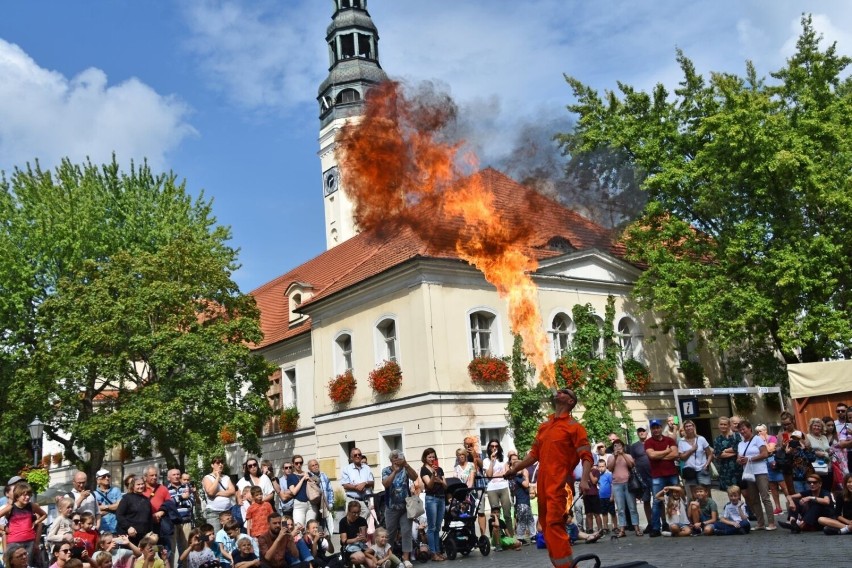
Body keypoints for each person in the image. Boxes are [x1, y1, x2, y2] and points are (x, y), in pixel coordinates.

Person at [503, 387, 593, 568]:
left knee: (554, 525)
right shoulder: (545, 426)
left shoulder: (575, 427)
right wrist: (515, 469)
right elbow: (533, 455)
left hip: (559, 485)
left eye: (565, 392)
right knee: (546, 527)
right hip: (543, 485)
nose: (559, 392)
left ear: (571, 401)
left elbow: (587, 457)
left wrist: (584, 480)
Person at [736, 419, 777, 530]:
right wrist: (739, 460)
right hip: (749, 472)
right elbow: (738, 458)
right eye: (740, 430)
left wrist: (750, 459)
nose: (742, 432)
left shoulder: (757, 439)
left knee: (765, 497)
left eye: (743, 429)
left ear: (749, 428)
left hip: (760, 471)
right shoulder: (740, 444)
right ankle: (760, 523)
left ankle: (771, 523)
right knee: (754, 498)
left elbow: (765, 454)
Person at [380, 449, 417, 568]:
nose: (397, 459)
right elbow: (386, 484)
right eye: (394, 458)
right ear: (391, 460)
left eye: (399, 457)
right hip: (391, 507)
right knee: (390, 533)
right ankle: (388, 558)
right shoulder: (386, 470)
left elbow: (415, 477)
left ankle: (406, 558)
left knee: (406, 531)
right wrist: (394, 472)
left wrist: (406, 464)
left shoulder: (405, 469)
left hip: (405, 507)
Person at [644, 419, 678, 537]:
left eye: (658, 427)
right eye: (653, 428)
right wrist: (666, 451)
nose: (656, 430)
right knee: (657, 501)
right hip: (657, 476)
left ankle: (676, 523)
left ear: (661, 428)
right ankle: (655, 527)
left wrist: (659, 456)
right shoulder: (648, 442)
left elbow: (675, 454)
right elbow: (651, 455)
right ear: (651, 429)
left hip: (672, 474)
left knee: (675, 499)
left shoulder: (669, 440)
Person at [0, 481, 47, 563]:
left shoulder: (31, 506)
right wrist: (4, 528)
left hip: (29, 542)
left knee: (26, 564)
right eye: (24, 495)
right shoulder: (10, 508)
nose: (27, 497)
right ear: (17, 496)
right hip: (14, 543)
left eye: (29, 494)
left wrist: (36, 522)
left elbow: (44, 514)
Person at [608, 438, 641, 537]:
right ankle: (622, 529)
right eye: (615, 445)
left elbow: (631, 465)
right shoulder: (611, 457)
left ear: (623, 447)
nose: (617, 447)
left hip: (628, 483)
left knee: (632, 507)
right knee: (620, 508)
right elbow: (610, 468)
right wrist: (615, 456)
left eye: (619, 445)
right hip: (617, 484)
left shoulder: (628, 456)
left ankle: (637, 528)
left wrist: (622, 455)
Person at [419, 448, 447, 562]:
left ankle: (438, 551)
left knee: (438, 527)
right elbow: (429, 486)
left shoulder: (439, 469)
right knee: (432, 527)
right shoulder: (424, 470)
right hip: (431, 499)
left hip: (441, 498)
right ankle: (433, 553)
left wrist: (439, 479)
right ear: (425, 458)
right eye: (429, 457)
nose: (432, 459)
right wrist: (433, 476)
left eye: (433, 457)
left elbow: (445, 485)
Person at [483, 440, 513, 538]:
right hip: (492, 489)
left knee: (507, 513)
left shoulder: (504, 459)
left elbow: (507, 473)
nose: (494, 448)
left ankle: (511, 537)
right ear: (489, 448)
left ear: (499, 447)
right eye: (492, 446)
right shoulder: (486, 461)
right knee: (495, 515)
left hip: (503, 486)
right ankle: (496, 538)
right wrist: (492, 462)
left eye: (496, 446)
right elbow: (489, 476)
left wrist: (499, 475)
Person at [756, 424, 788, 514]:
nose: (759, 433)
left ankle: (791, 503)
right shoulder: (757, 440)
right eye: (757, 432)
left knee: (783, 485)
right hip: (765, 464)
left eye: (761, 431)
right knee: (773, 487)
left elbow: (770, 450)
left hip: (774, 463)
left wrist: (764, 441)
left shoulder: (772, 438)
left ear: (765, 430)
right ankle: (778, 507)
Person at [677, 420, 713, 498]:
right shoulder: (681, 441)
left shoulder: (701, 439)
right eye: (686, 426)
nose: (688, 428)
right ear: (684, 428)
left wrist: (707, 464)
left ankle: (709, 509)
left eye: (690, 426)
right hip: (690, 471)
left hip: (702, 469)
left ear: (694, 427)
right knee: (693, 495)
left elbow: (709, 454)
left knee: (706, 494)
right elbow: (682, 458)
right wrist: (691, 450)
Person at [116, 476, 154, 545]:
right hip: (129, 535)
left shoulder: (146, 500)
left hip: (143, 536)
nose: (141, 486)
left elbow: (149, 518)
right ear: (133, 486)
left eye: (142, 484)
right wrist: (128, 527)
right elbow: (119, 515)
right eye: (138, 484)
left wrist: (150, 532)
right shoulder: (126, 498)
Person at [628, 427, 652, 531]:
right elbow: (632, 461)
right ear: (637, 434)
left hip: (655, 475)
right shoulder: (634, 446)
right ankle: (650, 523)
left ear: (647, 432)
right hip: (642, 478)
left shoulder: (652, 442)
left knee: (658, 500)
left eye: (643, 431)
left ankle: (663, 522)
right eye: (639, 432)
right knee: (646, 501)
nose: (641, 433)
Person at [203, 456, 236, 531]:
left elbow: (232, 491)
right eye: (217, 463)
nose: (220, 465)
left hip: (227, 511)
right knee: (215, 536)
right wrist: (217, 477)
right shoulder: (207, 478)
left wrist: (217, 493)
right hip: (214, 512)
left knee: (230, 534)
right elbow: (211, 492)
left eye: (222, 463)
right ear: (212, 465)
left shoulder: (226, 477)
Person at [340, 448, 374, 521]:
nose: (358, 456)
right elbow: (345, 485)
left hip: (364, 500)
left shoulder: (367, 468)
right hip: (352, 499)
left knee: (364, 519)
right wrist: (356, 488)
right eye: (355, 455)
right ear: (351, 458)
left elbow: (372, 482)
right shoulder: (346, 469)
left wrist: (365, 483)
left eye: (359, 454)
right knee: (350, 521)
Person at [509, 453, 535, 545]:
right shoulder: (517, 477)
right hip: (521, 503)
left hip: (526, 502)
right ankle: (520, 537)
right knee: (522, 520)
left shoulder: (520, 477)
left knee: (530, 519)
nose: (524, 470)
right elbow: (526, 484)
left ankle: (533, 535)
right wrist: (527, 476)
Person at [338, 502, 374, 568]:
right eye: (354, 512)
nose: (356, 515)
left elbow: (365, 539)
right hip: (348, 547)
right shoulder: (343, 522)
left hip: (361, 546)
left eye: (358, 512)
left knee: (372, 565)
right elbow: (344, 541)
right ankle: (349, 562)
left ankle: (359, 564)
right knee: (361, 557)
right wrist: (355, 539)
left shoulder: (362, 521)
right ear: (348, 511)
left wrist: (363, 538)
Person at [285, 456, 315, 526]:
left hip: (311, 504)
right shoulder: (290, 476)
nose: (299, 465)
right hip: (299, 504)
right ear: (293, 464)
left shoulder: (308, 474)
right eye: (296, 463)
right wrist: (303, 478)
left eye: (300, 463)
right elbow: (294, 492)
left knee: (311, 527)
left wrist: (309, 478)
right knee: (299, 527)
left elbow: (317, 485)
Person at [94, 470, 122, 536]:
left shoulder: (116, 490)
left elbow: (119, 506)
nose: (107, 478)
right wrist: (112, 508)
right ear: (98, 480)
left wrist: (104, 507)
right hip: (102, 529)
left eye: (108, 476)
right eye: (104, 477)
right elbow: (96, 511)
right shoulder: (94, 494)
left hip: (116, 527)